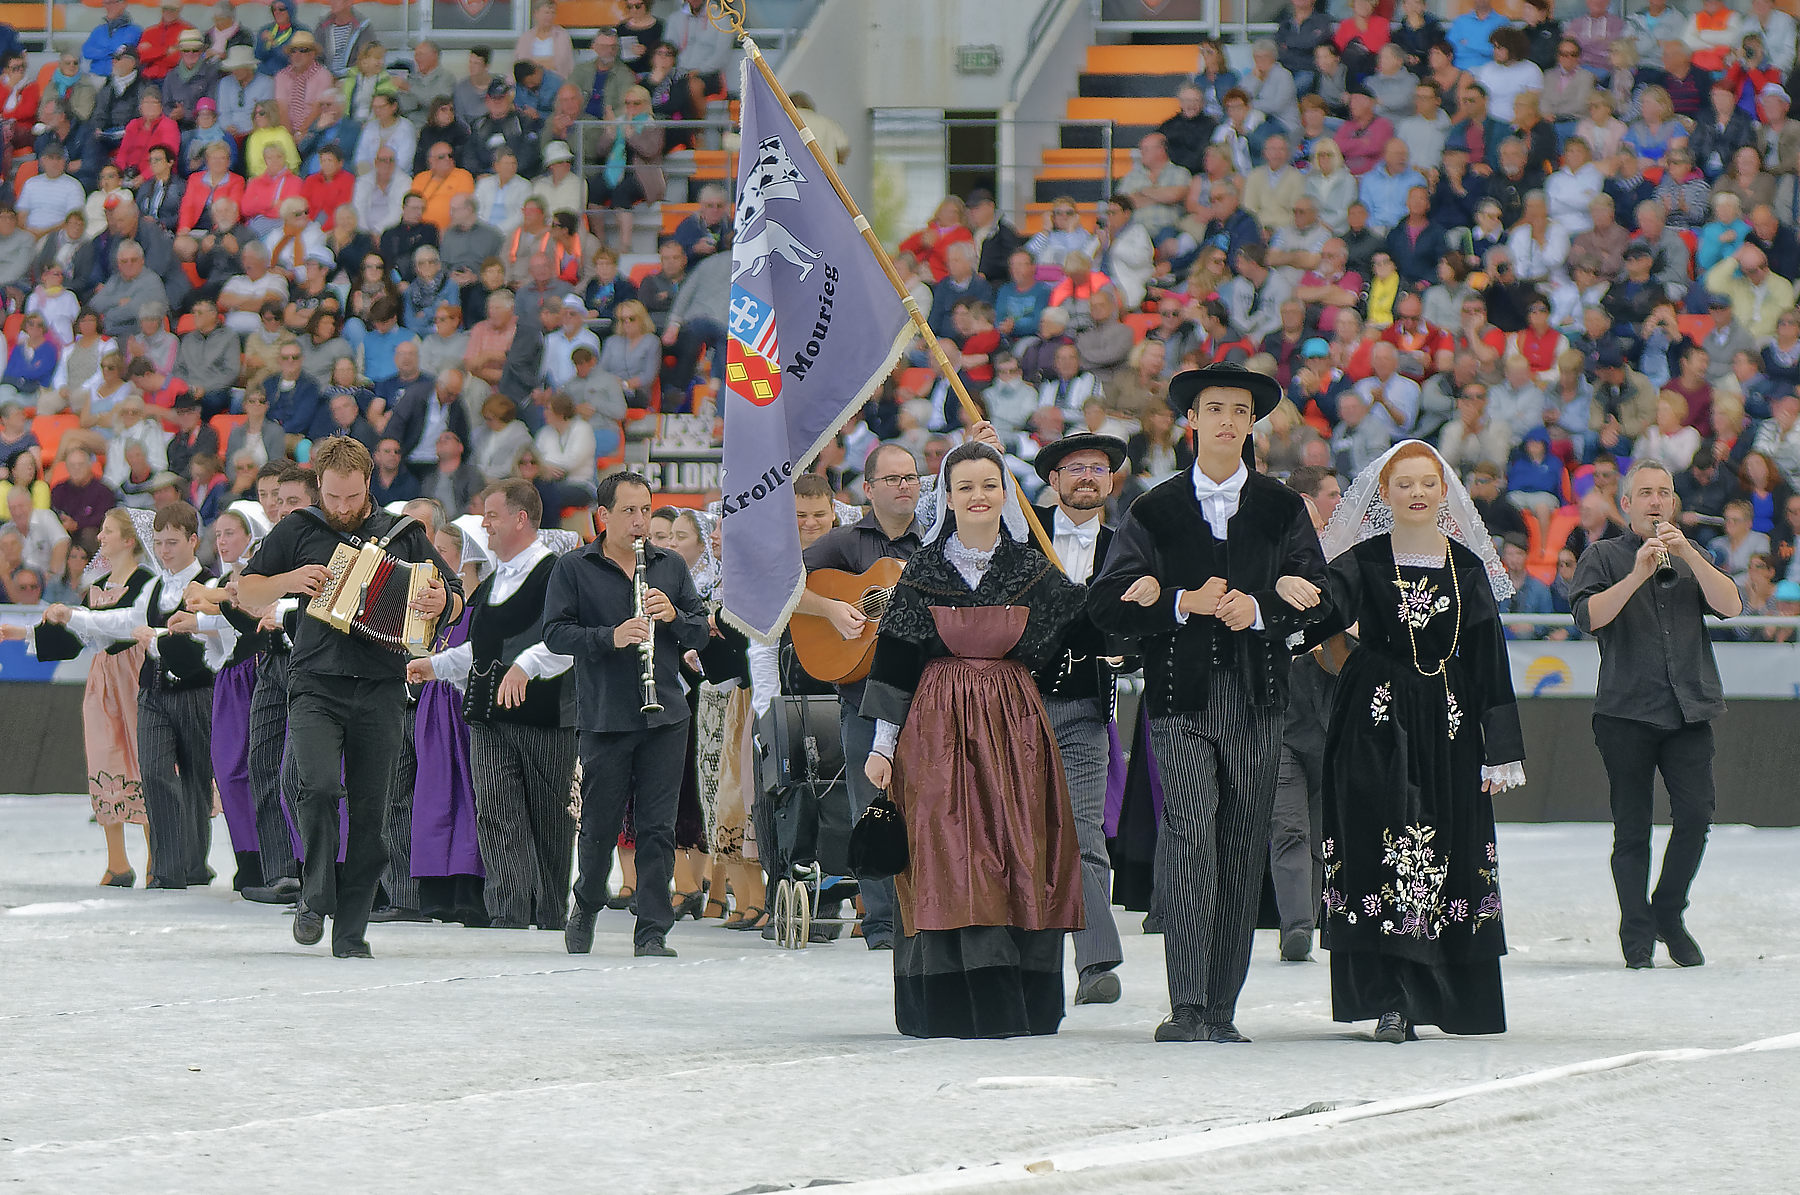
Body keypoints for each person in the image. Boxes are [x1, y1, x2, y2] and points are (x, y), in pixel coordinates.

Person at [1089, 364, 1331, 1043]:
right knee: (1191, 838)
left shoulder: (1283, 508)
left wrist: (1259, 607)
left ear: (1253, 423)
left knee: (1241, 842)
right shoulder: (1153, 509)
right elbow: (1106, 602)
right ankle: (1187, 1003)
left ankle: (1221, 1007)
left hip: (1259, 698)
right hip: (1179, 698)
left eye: (1239, 409)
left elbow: (1324, 596)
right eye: (1213, 407)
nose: (1226, 419)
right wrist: (1177, 601)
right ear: (1191, 420)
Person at [861, 441, 1088, 1038]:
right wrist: (883, 748)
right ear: (948, 496)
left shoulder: (1034, 570)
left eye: (990, 484)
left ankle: (1021, 1002)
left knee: (1018, 852)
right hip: (935, 731)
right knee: (943, 856)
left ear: (1005, 493)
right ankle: (948, 1004)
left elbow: (1078, 637)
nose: (978, 496)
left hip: (1017, 733)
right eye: (965, 486)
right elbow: (895, 664)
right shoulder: (923, 572)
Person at [1315, 442, 1524, 1041]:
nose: (1415, 493)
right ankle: (1390, 997)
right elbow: (1315, 617)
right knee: (1380, 842)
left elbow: (1488, 656)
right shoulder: (1360, 560)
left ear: (1443, 491)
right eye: (1403, 484)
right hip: (1373, 722)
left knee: (1452, 842)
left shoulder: (1467, 566)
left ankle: (1454, 997)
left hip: (1451, 724)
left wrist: (1501, 744)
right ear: (1384, 494)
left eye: (1426, 483)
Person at [237, 436, 461, 957]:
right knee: (314, 788)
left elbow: (453, 595)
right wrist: (290, 579)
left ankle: (351, 931)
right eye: (332, 497)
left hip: (382, 687)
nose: (341, 508)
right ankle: (315, 894)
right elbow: (245, 592)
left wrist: (439, 600)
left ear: (368, 487)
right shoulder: (299, 528)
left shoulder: (401, 533)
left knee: (370, 814)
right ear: (319, 486)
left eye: (351, 498)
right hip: (315, 682)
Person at [1571, 460, 1742, 969]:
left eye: (1663, 492)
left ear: (1674, 502)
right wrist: (1638, 572)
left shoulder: (1694, 554)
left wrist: (1687, 551)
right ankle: (1636, 931)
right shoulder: (1602, 555)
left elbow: (1732, 606)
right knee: (1633, 826)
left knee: (1696, 816)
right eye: (1644, 492)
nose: (1655, 501)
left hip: (1690, 708)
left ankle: (1667, 910)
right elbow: (1587, 618)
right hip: (1626, 710)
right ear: (1626, 504)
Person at [545, 471, 710, 958]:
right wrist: (608, 637)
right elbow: (555, 633)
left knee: (658, 826)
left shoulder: (671, 566)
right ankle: (587, 903)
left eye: (646, 510)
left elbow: (700, 632)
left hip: (666, 714)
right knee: (598, 824)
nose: (641, 523)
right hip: (605, 714)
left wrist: (674, 618)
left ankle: (652, 930)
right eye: (629, 512)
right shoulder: (574, 567)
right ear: (604, 516)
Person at [410, 481, 578, 929]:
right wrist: (436, 665)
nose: (484, 524)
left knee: (547, 816)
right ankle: (508, 907)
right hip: (486, 715)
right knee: (495, 810)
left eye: (492, 516)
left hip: (543, 716)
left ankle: (547, 911)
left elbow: (566, 642)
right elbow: (480, 649)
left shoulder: (556, 573)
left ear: (520, 519)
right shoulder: (491, 583)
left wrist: (526, 665)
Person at [795, 442, 928, 950]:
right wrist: (829, 610)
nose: (904, 486)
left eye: (911, 477)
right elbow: (782, 586)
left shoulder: (937, 544)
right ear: (868, 489)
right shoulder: (844, 544)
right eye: (892, 479)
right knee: (871, 804)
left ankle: (926, 917)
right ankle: (881, 924)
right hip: (863, 697)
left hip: (927, 697)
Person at [1028, 433, 1132, 1006]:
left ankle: (1096, 963)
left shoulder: (1126, 547)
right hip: (1015, 708)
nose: (1087, 477)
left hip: (1085, 712)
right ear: (1055, 481)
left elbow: (1144, 621)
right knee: (1021, 834)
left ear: (1111, 480)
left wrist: (1124, 649)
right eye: (1075, 468)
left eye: (1097, 468)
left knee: (1084, 833)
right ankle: (1029, 959)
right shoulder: (1020, 532)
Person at [2, 508, 154, 885]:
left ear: (129, 540)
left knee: (144, 759)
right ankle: (117, 862)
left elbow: (113, 625)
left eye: (107, 531)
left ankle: (158, 857)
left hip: (138, 675)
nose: (99, 537)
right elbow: (78, 635)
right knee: (104, 758)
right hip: (102, 678)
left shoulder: (147, 583)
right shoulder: (97, 586)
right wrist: (23, 634)